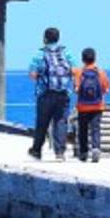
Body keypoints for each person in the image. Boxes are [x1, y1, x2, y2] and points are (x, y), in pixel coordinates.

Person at [27, 27, 75, 161]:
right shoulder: (66, 53)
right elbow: (75, 70)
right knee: (61, 121)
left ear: (45, 39)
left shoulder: (40, 54)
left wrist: (40, 76)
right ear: (58, 38)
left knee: (42, 123)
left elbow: (32, 74)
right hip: (63, 93)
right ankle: (60, 152)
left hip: (45, 93)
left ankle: (36, 151)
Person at [72, 47, 110, 162]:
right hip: (97, 106)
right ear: (95, 58)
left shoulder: (79, 72)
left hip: (82, 106)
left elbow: (76, 89)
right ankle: (95, 148)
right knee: (95, 128)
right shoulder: (101, 72)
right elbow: (106, 89)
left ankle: (83, 152)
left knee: (83, 129)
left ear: (82, 59)